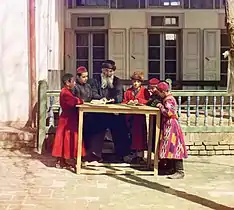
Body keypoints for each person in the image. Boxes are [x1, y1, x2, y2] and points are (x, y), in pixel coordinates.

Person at [88, 60, 131, 161]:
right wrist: (101, 99)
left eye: (110, 71)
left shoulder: (117, 81)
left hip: (114, 112)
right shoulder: (95, 81)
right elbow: (93, 93)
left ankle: (122, 155)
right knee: (95, 127)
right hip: (99, 113)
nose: (108, 73)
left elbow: (119, 96)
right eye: (106, 71)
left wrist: (110, 100)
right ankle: (95, 155)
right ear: (102, 70)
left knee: (120, 127)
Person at [52, 73, 85, 169]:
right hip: (67, 119)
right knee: (66, 139)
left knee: (66, 139)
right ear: (67, 82)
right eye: (73, 81)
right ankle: (62, 160)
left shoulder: (67, 91)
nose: (74, 83)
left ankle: (63, 160)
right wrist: (80, 100)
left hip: (69, 117)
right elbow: (75, 101)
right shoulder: (65, 92)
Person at [156, 81, 188, 179]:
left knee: (175, 146)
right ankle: (171, 168)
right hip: (168, 124)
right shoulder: (167, 98)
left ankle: (179, 170)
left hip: (172, 125)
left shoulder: (168, 100)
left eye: (159, 92)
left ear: (163, 92)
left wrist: (161, 107)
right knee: (169, 147)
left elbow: (169, 112)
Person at [73, 66, 105, 162]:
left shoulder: (87, 86)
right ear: (78, 77)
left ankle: (92, 153)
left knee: (97, 129)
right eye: (83, 77)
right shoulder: (75, 87)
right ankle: (81, 155)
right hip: (79, 114)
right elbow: (74, 99)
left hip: (89, 114)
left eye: (86, 77)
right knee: (83, 133)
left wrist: (100, 98)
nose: (85, 79)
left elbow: (92, 95)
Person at [122, 71, 150, 163]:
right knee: (131, 135)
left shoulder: (144, 91)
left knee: (140, 135)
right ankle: (132, 154)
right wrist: (128, 102)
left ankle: (140, 156)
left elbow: (147, 100)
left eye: (138, 82)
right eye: (134, 81)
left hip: (139, 117)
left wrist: (138, 101)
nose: (135, 83)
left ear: (141, 82)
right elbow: (123, 101)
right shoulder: (128, 91)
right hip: (129, 116)